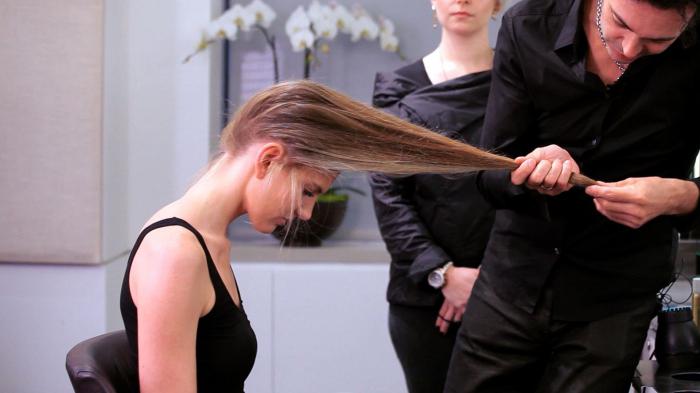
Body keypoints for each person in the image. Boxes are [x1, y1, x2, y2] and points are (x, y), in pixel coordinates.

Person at [119, 79, 530, 393]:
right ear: (269, 160)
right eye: (310, 191)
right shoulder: (175, 252)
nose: (307, 212)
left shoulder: (209, 243)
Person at [443, 0, 700, 391]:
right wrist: (527, 171)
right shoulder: (528, 26)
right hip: (510, 286)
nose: (629, 49)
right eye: (619, 24)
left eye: (656, 41)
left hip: (616, 299)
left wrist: (681, 196)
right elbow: (487, 172)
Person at [369, 0, 501, 392]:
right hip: (423, 298)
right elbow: (388, 192)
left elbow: (528, 188)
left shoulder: (519, 83)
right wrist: (443, 274)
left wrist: (484, 279)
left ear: (496, 5)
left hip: (505, 292)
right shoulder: (399, 89)